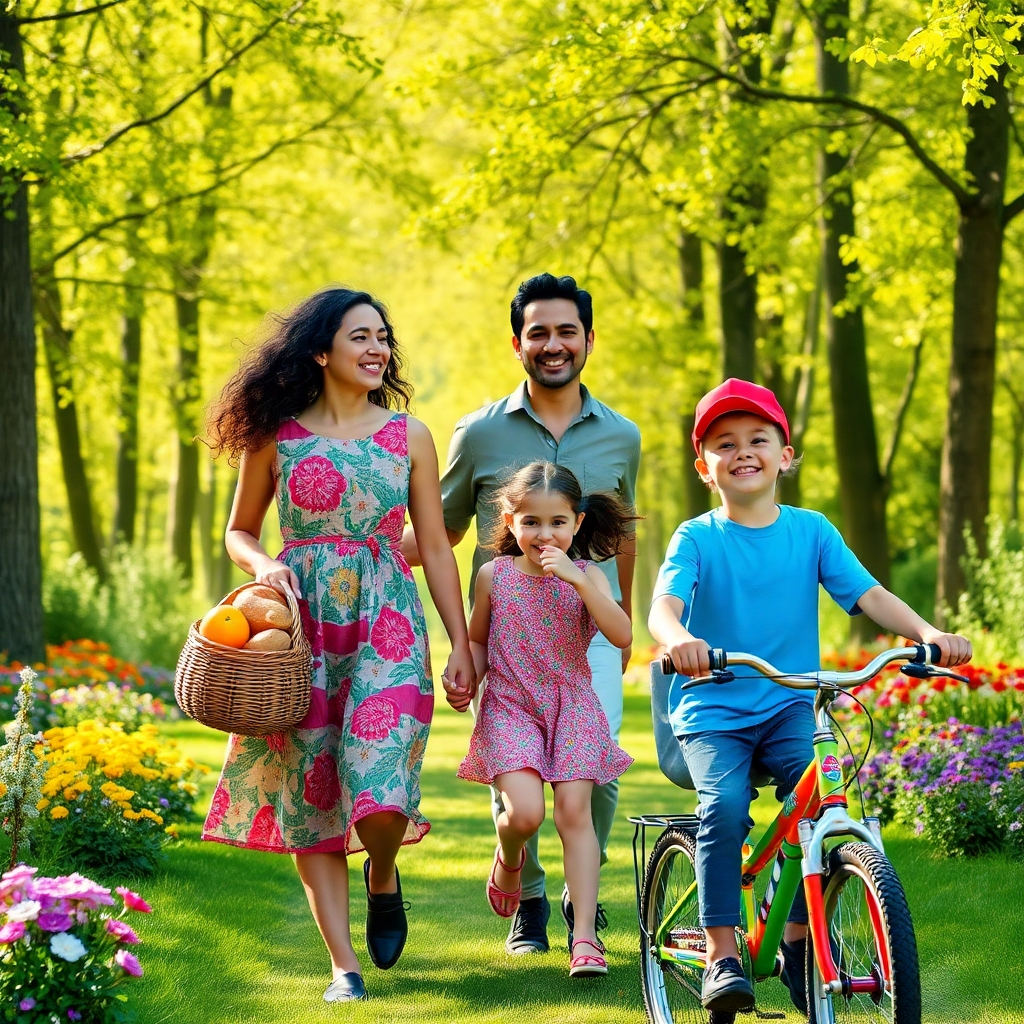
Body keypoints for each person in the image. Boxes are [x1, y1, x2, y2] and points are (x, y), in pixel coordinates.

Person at [647, 378, 973, 1014]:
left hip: (790, 706)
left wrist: (927, 635)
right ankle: (721, 951)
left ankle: (797, 936)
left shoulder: (812, 531)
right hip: (713, 709)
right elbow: (665, 606)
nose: (743, 452)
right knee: (726, 806)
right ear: (705, 467)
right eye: (724, 443)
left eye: (757, 439)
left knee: (824, 804)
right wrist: (680, 640)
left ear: (785, 456)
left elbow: (869, 594)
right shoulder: (697, 537)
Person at [201, 287, 474, 1004]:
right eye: (361, 337)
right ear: (321, 351)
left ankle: (382, 870)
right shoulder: (276, 435)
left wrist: (461, 642)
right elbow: (239, 530)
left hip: (389, 623)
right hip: (304, 629)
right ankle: (343, 967)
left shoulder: (410, 436)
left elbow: (435, 548)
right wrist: (265, 565)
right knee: (312, 790)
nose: (377, 348)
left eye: (383, 337)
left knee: (382, 787)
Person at [402, 272, 641, 955]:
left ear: (588, 339)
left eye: (567, 331)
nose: (554, 344)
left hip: (590, 624)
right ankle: (529, 901)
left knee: (592, 781)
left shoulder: (622, 435)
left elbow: (622, 533)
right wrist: (365, 550)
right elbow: (443, 528)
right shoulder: (478, 432)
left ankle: (578, 896)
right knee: (520, 778)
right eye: (539, 333)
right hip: (506, 630)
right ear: (518, 343)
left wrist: (623, 619)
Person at [455, 462, 634, 977]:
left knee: (574, 814)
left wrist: (580, 580)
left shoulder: (589, 575)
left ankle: (585, 938)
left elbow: (622, 635)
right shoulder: (494, 576)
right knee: (526, 814)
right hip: (511, 706)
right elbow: (478, 640)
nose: (544, 534)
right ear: (510, 522)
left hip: (571, 705)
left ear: (577, 523)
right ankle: (510, 855)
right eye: (531, 522)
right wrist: (466, 675)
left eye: (557, 522)